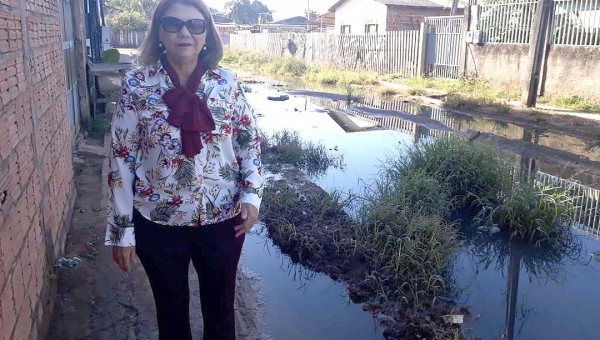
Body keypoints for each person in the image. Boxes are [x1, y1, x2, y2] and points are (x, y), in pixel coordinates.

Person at [104, 0, 263, 339]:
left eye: (195, 24)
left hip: (223, 219)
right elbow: (121, 158)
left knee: (221, 314)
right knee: (171, 317)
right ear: (160, 31)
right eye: (174, 23)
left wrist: (252, 194)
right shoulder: (137, 85)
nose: (185, 33)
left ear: (208, 33)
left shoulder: (227, 83)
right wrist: (121, 231)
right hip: (158, 221)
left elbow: (248, 141)